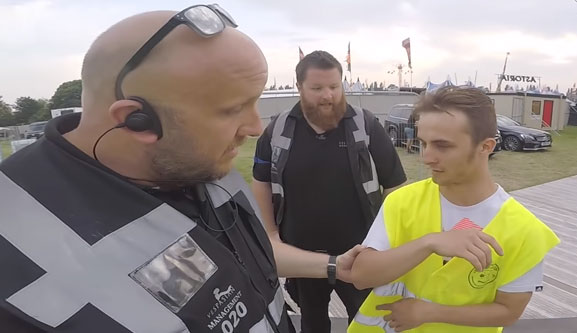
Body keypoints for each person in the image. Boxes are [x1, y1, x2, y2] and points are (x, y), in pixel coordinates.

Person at [0, 6, 362, 333]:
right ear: (137, 121)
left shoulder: (199, 160)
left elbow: (245, 254)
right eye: (232, 109)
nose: (255, 127)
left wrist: (334, 266)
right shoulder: (16, 237)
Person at [348, 87, 560, 333]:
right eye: (423, 143)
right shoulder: (402, 202)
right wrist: (429, 243)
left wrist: (429, 312)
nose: (426, 157)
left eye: (442, 146)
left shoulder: (525, 231)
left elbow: (509, 310)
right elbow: (361, 276)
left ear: (486, 147)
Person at [251, 50, 407, 332]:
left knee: (366, 323)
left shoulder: (365, 126)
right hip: (302, 258)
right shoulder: (277, 131)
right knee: (312, 324)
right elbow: (260, 181)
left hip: (360, 255)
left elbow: (395, 186)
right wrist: (271, 234)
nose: (328, 96)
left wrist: (382, 241)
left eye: (334, 87)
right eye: (317, 88)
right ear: (299, 87)